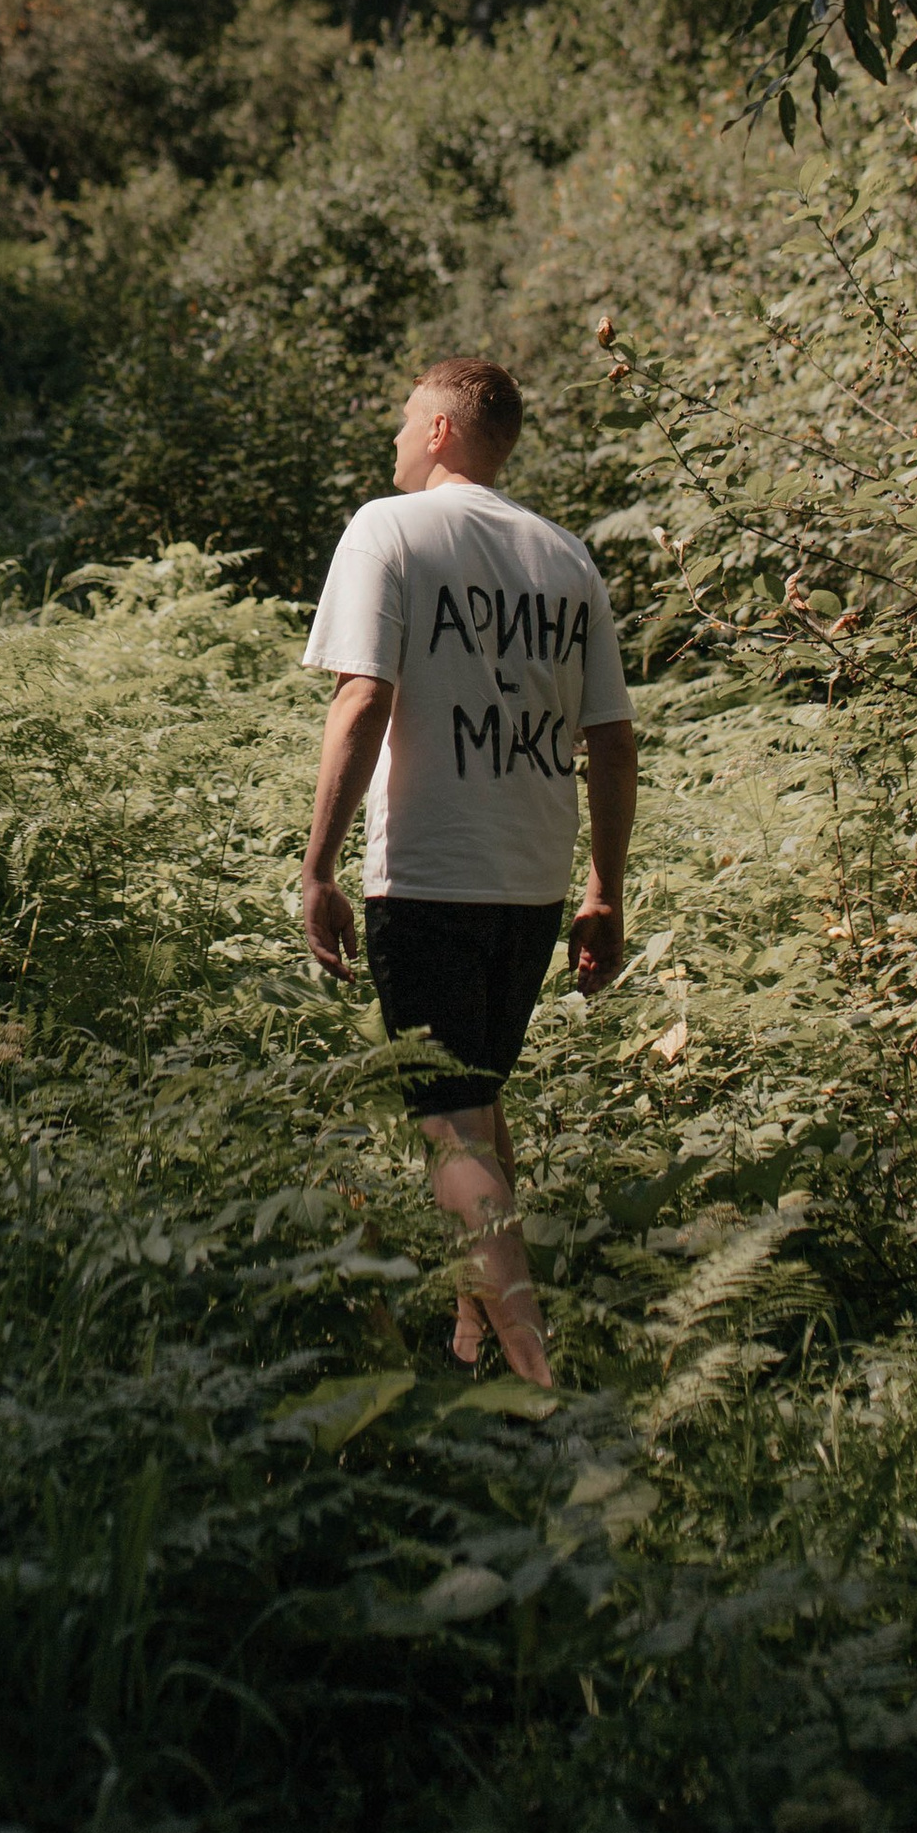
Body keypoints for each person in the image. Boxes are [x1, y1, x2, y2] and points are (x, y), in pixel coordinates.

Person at [300, 356, 637, 1386]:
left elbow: (362, 700)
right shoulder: (565, 556)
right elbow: (613, 741)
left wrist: (315, 867)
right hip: (530, 882)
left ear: (442, 431)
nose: (396, 441)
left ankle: (541, 1384)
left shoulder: (388, 529)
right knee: (478, 1106)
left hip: (431, 877)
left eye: (406, 420)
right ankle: (471, 1345)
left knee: (446, 1126)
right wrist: (603, 893)